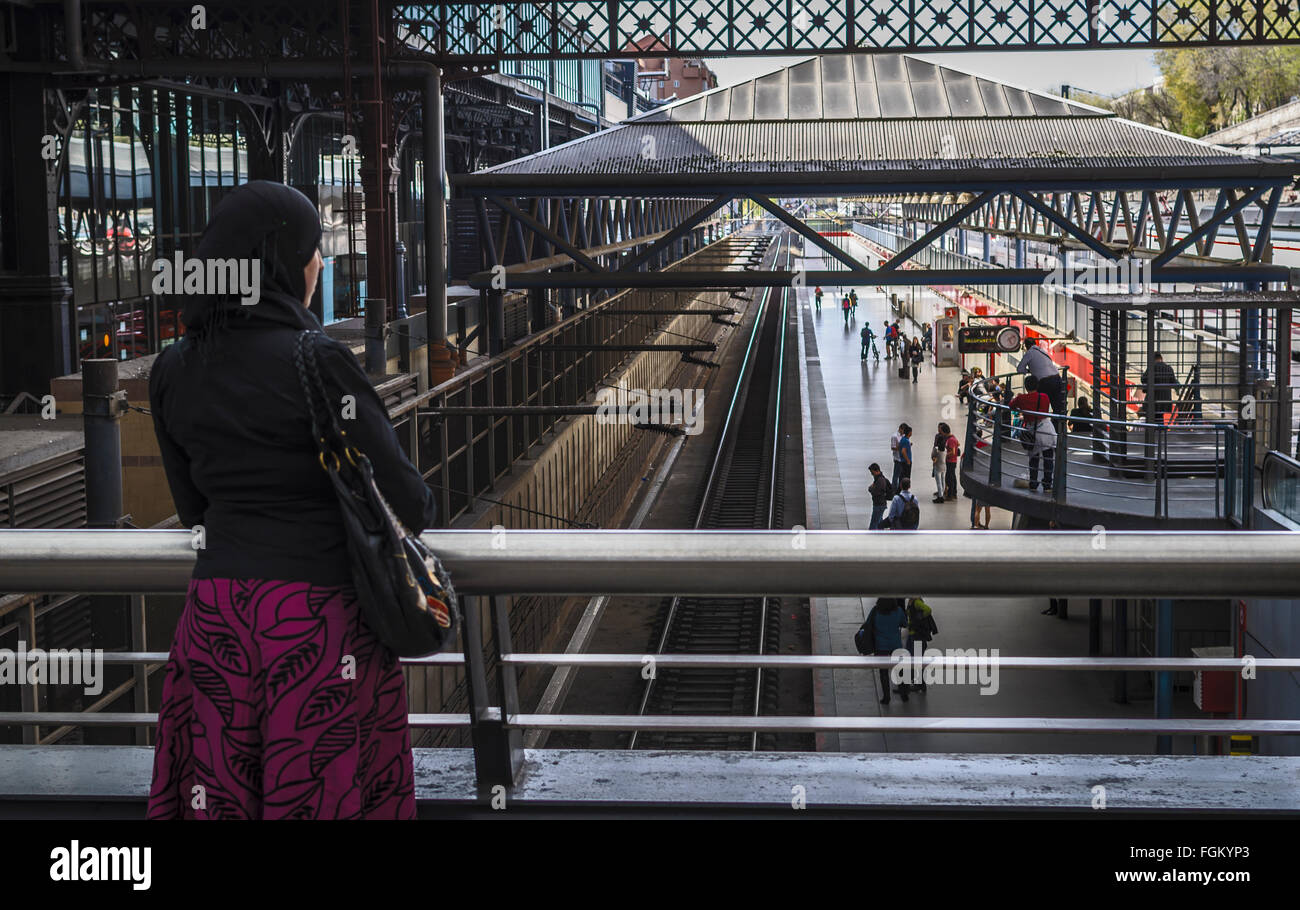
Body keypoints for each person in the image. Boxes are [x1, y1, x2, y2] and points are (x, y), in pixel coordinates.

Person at [145, 181, 435, 820]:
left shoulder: (172, 368)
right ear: (283, 263)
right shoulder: (317, 358)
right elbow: (408, 503)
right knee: (320, 790)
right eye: (313, 251)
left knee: (222, 794)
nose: (320, 264)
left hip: (216, 619)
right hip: (318, 622)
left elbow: (194, 509)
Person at [1009, 374, 1057, 492]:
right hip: (1046, 429)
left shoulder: (1021, 399)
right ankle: (1047, 485)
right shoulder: (1044, 397)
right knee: (1048, 458)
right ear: (1038, 385)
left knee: (1034, 459)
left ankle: (1033, 484)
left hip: (1032, 431)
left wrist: (1020, 402)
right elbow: (1045, 410)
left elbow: (1011, 406)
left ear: (1025, 386)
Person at [860, 598, 909, 705]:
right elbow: (905, 623)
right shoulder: (898, 610)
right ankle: (903, 694)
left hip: (880, 645)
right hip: (895, 645)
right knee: (899, 669)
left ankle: (886, 697)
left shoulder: (876, 610)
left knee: (883, 672)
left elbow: (868, 623)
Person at [1018, 338, 1066, 414]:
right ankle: (1058, 425)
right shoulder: (1043, 351)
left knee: (1041, 407)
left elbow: (1020, 369)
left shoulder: (1029, 353)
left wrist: (1029, 371)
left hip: (1045, 382)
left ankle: (1042, 423)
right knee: (1058, 408)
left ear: (1026, 346)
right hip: (1057, 378)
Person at [903, 597, 939, 694]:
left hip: (918, 635)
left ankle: (920, 685)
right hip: (912, 634)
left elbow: (928, 610)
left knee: (917, 660)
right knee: (910, 658)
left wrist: (919, 618)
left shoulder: (917, 601)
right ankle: (911, 683)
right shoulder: (911, 602)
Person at [1141, 351, 1179, 423]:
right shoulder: (1169, 368)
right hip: (1164, 401)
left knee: (1150, 420)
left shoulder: (1152, 368)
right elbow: (1173, 382)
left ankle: (1151, 433)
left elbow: (1143, 379)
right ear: (1161, 358)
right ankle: (1160, 432)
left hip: (1153, 399)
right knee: (1160, 418)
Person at [868, 462, 892, 529]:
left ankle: (872, 535)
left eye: (872, 472)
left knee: (874, 523)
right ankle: (880, 533)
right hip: (880, 504)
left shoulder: (880, 480)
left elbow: (876, 492)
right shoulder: (878, 479)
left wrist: (870, 489)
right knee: (879, 522)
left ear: (876, 471)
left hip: (879, 505)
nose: (871, 474)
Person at [942, 422, 961, 500]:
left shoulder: (951, 440)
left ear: (944, 432)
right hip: (951, 461)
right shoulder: (952, 438)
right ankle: (953, 493)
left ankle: (951, 494)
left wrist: (945, 455)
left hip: (951, 461)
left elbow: (953, 452)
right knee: (951, 476)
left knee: (950, 478)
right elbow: (958, 444)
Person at [930, 424, 948, 503]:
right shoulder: (945, 449)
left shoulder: (936, 449)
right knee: (943, 480)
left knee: (938, 482)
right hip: (944, 466)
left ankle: (940, 496)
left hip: (937, 466)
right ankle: (943, 494)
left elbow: (932, 456)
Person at [890, 423, 905, 489]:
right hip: (898, 458)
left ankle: (899, 488)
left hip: (903, 458)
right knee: (896, 475)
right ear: (900, 429)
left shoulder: (903, 435)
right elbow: (893, 447)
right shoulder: (894, 436)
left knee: (901, 475)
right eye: (903, 430)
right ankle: (894, 489)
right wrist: (901, 447)